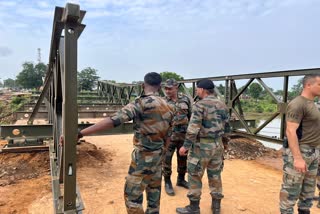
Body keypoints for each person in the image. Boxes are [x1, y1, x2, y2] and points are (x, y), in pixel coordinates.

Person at [67, 72, 174, 214]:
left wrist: (81, 133)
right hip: (159, 156)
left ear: (143, 85)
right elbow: (169, 135)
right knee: (154, 194)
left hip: (143, 157)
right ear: (160, 86)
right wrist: (162, 152)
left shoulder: (140, 103)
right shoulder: (169, 105)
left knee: (132, 197)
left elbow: (114, 120)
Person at [176, 79, 230, 214]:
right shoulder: (222, 104)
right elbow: (228, 127)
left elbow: (193, 128)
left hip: (201, 147)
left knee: (194, 175)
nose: (196, 91)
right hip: (217, 145)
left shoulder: (199, 105)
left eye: (197, 89)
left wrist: (185, 146)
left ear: (202, 90)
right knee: (215, 175)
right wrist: (225, 144)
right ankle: (216, 207)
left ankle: (194, 208)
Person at [279, 74, 320, 214]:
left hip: (313, 153)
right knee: (290, 192)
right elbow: (291, 131)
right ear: (308, 85)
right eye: (319, 84)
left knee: (308, 193)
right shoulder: (298, 103)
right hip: (300, 151)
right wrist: (297, 158)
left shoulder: (312, 103)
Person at [162, 78, 192, 196]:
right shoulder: (163, 101)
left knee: (183, 158)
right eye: (166, 88)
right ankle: (167, 182)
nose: (167, 91)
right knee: (167, 160)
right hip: (169, 137)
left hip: (183, 136)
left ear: (176, 87)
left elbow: (191, 116)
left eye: (170, 88)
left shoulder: (185, 99)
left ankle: (181, 179)